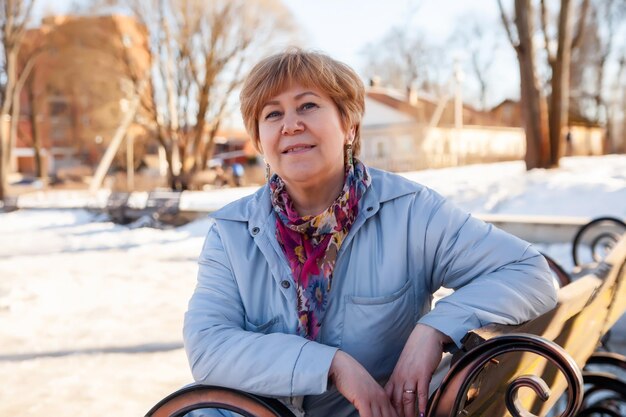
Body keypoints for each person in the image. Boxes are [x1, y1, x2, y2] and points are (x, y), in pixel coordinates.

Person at [183, 49, 557, 417]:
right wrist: (331, 365)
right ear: (261, 141)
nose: (290, 124)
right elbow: (208, 346)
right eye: (273, 114)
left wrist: (435, 329)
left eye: (308, 106)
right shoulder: (231, 234)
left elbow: (529, 272)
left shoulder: (411, 212)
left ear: (349, 125)